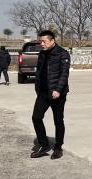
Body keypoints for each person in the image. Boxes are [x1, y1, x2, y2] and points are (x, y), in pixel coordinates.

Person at [30, 30, 71, 160]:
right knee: (36, 117)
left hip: (56, 94)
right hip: (43, 92)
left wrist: (58, 90)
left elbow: (64, 74)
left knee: (58, 121)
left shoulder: (62, 54)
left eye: (44, 41)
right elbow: (39, 71)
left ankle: (58, 148)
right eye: (40, 41)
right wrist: (37, 87)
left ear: (52, 41)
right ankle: (44, 145)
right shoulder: (42, 54)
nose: (41, 44)